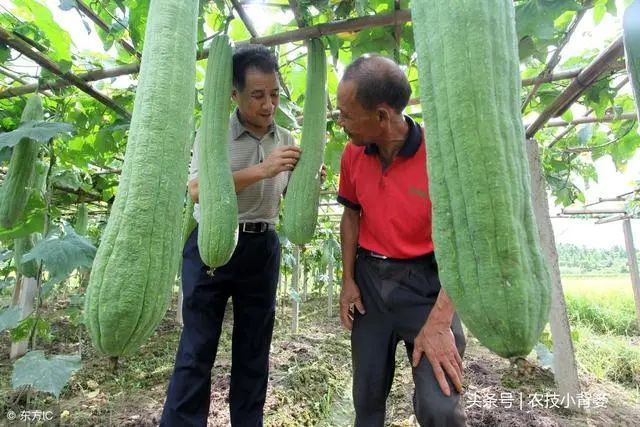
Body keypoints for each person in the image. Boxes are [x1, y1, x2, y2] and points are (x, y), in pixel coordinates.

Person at [160, 44, 302, 427]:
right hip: (212, 244)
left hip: (262, 247)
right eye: (257, 95)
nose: (268, 104)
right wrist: (263, 169)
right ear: (234, 94)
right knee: (197, 348)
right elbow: (194, 190)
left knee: (254, 349)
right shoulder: (212, 133)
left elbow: (287, 192)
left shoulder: (286, 137)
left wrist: (305, 180)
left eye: (273, 93)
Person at [336, 54, 467, 427]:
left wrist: (441, 321)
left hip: (428, 287)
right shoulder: (353, 153)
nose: (340, 121)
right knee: (367, 398)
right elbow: (351, 213)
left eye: (346, 114)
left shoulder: (440, 156)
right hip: (371, 287)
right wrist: (348, 280)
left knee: (440, 408)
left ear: (381, 116)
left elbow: (464, 242)